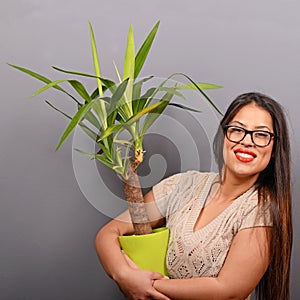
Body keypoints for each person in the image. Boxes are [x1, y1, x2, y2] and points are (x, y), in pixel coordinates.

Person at [95, 92, 293, 300]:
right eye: (237, 130)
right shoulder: (182, 185)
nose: (247, 141)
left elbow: (229, 291)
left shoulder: (261, 210)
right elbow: (109, 233)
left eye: (261, 135)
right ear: (224, 135)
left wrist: (147, 286)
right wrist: (124, 276)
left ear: (274, 149)